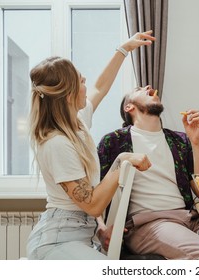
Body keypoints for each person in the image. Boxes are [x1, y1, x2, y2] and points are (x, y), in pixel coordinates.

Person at [26, 31, 156, 260]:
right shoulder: (57, 144)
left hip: (80, 235)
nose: (87, 85)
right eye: (82, 81)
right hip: (56, 240)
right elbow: (93, 204)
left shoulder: (78, 123)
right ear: (68, 95)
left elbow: (100, 86)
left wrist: (124, 49)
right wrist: (122, 160)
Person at [97, 85, 199, 259]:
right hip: (149, 223)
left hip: (192, 218)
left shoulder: (179, 140)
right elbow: (96, 193)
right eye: (139, 88)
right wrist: (101, 230)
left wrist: (196, 143)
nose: (149, 87)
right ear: (129, 107)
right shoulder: (113, 141)